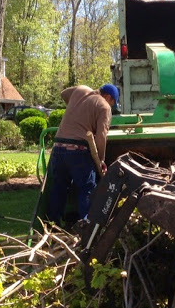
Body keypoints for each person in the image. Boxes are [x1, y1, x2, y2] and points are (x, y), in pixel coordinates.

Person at [46, 84, 120, 225]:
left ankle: (51, 225)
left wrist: (77, 108)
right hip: (78, 151)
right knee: (86, 189)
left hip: (58, 148)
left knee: (58, 187)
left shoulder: (81, 90)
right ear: (108, 97)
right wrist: (101, 159)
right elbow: (101, 136)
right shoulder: (104, 106)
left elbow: (63, 93)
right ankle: (87, 227)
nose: (111, 106)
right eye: (113, 103)